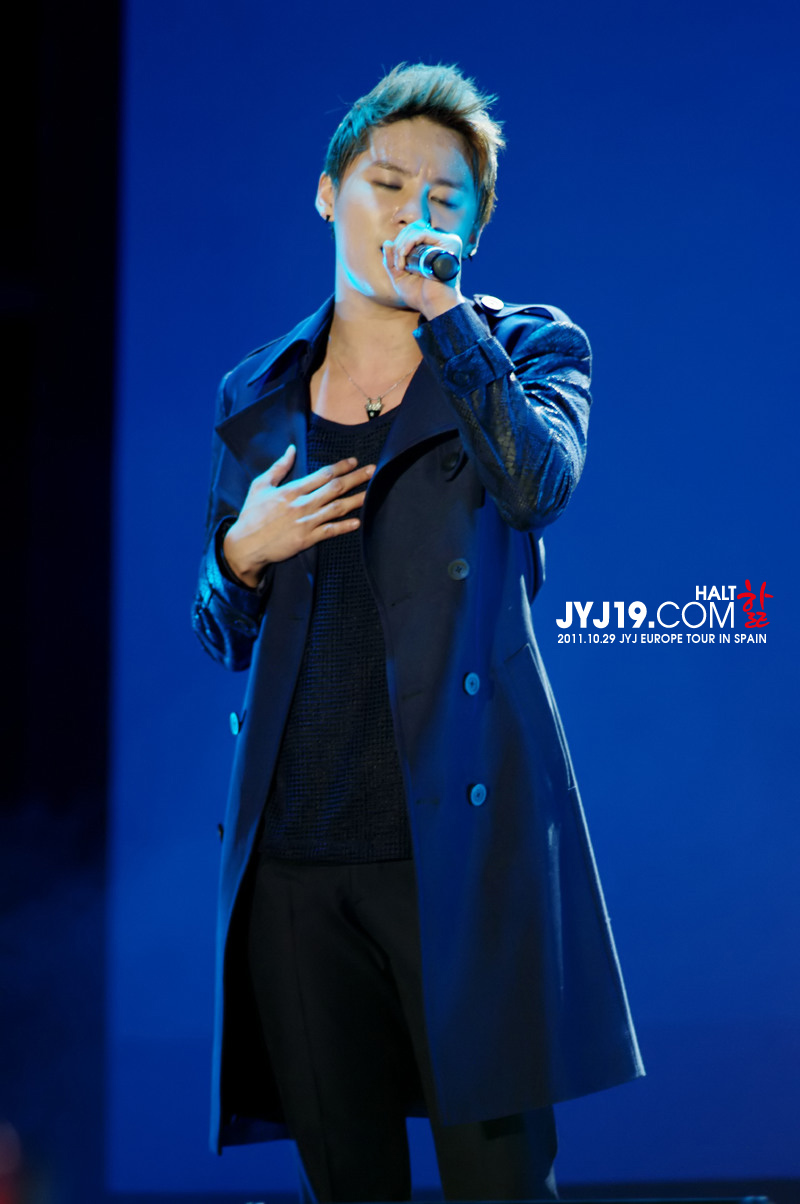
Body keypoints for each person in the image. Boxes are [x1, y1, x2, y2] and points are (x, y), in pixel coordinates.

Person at [192, 62, 643, 1203]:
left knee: (499, 1183)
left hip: (457, 850)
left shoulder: (527, 347)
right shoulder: (259, 393)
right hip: (297, 860)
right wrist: (240, 552)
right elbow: (221, 634)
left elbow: (534, 485)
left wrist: (446, 318)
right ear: (327, 193)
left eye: (444, 201)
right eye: (386, 185)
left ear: (473, 232)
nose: (410, 215)